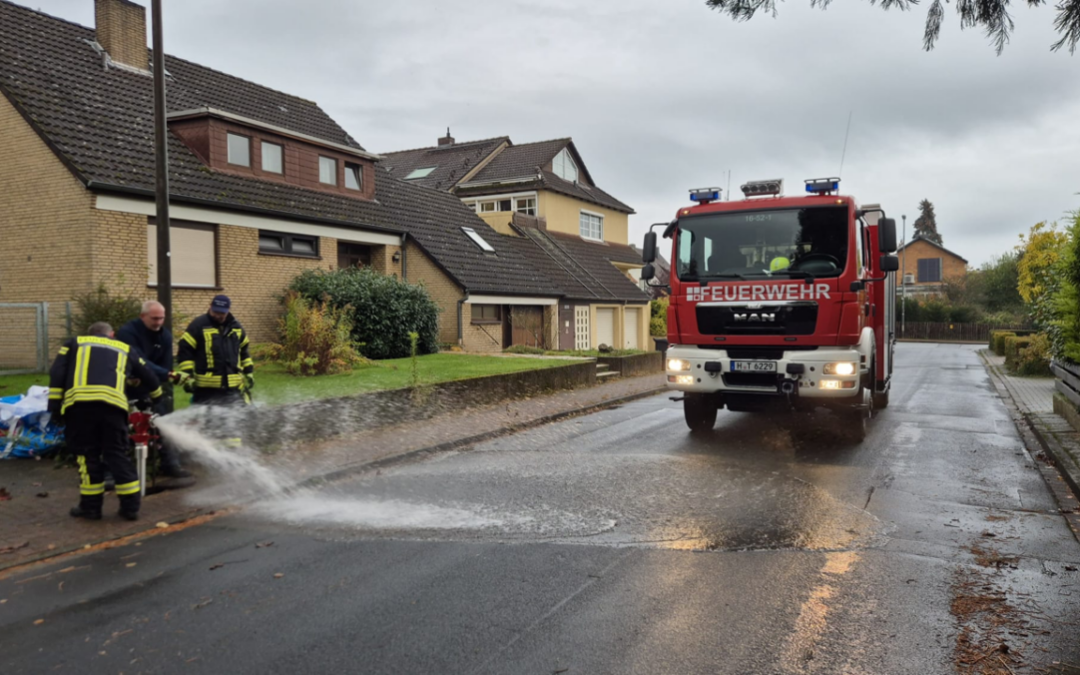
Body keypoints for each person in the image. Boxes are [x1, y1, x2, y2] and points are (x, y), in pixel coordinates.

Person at [48, 322, 163, 521]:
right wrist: (156, 397)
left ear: (89, 334)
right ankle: (130, 508)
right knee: (117, 455)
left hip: (80, 408)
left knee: (87, 456)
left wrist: (55, 408)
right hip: (113, 409)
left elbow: (57, 374)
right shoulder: (124, 348)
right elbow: (149, 377)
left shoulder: (74, 344)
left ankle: (91, 509)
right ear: (112, 334)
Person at [116, 300, 193, 479]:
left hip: (151, 386)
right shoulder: (128, 333)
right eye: (154, 318)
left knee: (164, 424)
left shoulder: (164, 335)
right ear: (142, 316)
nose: (158, 322)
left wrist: (167, 377)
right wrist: (169, 374)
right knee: (121, 428)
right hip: (127, 387)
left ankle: (170, 464)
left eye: (161, 318)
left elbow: (165, 366)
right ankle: (116, 471)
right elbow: (138, 361)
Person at [176, 295, 254, 406]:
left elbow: (244, 351)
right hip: (206, 389)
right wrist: (188, 375)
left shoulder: (236, 327)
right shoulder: (198, 325)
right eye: (215, 312)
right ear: (210, 307)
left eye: (222, 313)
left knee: (235, 420)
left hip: (233, 387)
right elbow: (185, 351)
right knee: (205, 421)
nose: (218, 316)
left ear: (228, 311)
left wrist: (249, 371)